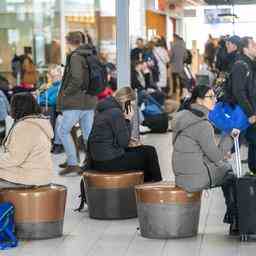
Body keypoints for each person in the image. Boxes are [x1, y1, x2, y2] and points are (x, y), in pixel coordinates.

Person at [172, 85, 238, 235]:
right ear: (199, 100)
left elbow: (194, 148)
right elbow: (216, 156)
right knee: (228, 173)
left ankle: (233, 217)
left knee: (223, 165)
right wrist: (229, 137)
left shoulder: (182, 116)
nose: (214, 100)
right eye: (210, 97)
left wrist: (217, 155)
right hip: (193, 178)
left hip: (181, 174)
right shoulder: (202, 124)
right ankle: (235, 219)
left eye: (214, 96)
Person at [88, 86, 162, 182]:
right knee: (149, 153)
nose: (132, 107)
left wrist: (131, 142)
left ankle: (145, 185)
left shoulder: (105, 109)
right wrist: (127, 119)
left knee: (145, 150)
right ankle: (153, 185)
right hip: (108, 162)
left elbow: (115, 138)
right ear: (127, 102)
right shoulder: (116, 113)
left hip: (98, 159)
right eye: (132, 104)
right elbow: (124, 142)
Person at [57, 31, 97, 175]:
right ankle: (91, 162)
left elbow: (77, 79)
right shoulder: (89, 54)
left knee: (63, 130)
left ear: (68, 42)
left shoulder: (75, 57)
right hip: (89, 101)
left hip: (75, 102)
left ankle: (73, 163)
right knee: (87, 134)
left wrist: (66, 93)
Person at [0, 93, 53, 188]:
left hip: (29, 177)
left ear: (17, 107)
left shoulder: (25, 127)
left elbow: (15, 159)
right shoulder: (36, 121)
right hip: (39, 174)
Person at [229, 37, 256, 173]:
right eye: (254, 45)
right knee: (249, 140)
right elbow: (238, 91)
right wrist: (250, 113)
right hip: (247, 111)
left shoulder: (250, 63)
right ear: (246, 48)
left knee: (253, 141)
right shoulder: (240, 65)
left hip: (251, 109)